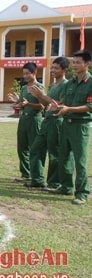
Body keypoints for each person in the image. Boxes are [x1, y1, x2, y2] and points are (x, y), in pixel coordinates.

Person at [31, 50, 92, 205]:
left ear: (87, 64)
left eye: (79, 62)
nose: (75, 65)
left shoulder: (90, 82)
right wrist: (54, 105)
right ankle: (66, 186)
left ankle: (82, 193)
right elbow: (61, 103)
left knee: (80, 161)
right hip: (66, 123)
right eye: (74, 62)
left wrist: (67, 109)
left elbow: (89, 106)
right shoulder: (71, 83)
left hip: (80, 126)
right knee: (63, 157)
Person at [25, 57, 69, 189]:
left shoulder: (66, 85)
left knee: (54, 153)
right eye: (52, 68)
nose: (52, 70)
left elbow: (58, 104)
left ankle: (54, 182)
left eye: (56, 68)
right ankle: (37, 180)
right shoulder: (52, 85)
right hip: (47, 121)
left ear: (64, 70)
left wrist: (43, 96)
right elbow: (46, 104)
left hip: (57, 121)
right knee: (35, 149)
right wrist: (40, 97)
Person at [8, 62, 45, 182]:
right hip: (24, 118)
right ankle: (25, 174)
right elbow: (23, 104)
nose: (25, 76)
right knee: (22, 147)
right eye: (23, 73)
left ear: (34, 73)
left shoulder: (40, 87)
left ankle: (36, 175)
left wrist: (28, 104)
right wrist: (18, 103)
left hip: (35, 119)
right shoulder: (24, 88)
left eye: (27, 73)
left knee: (34, 148)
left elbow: (42, 106)